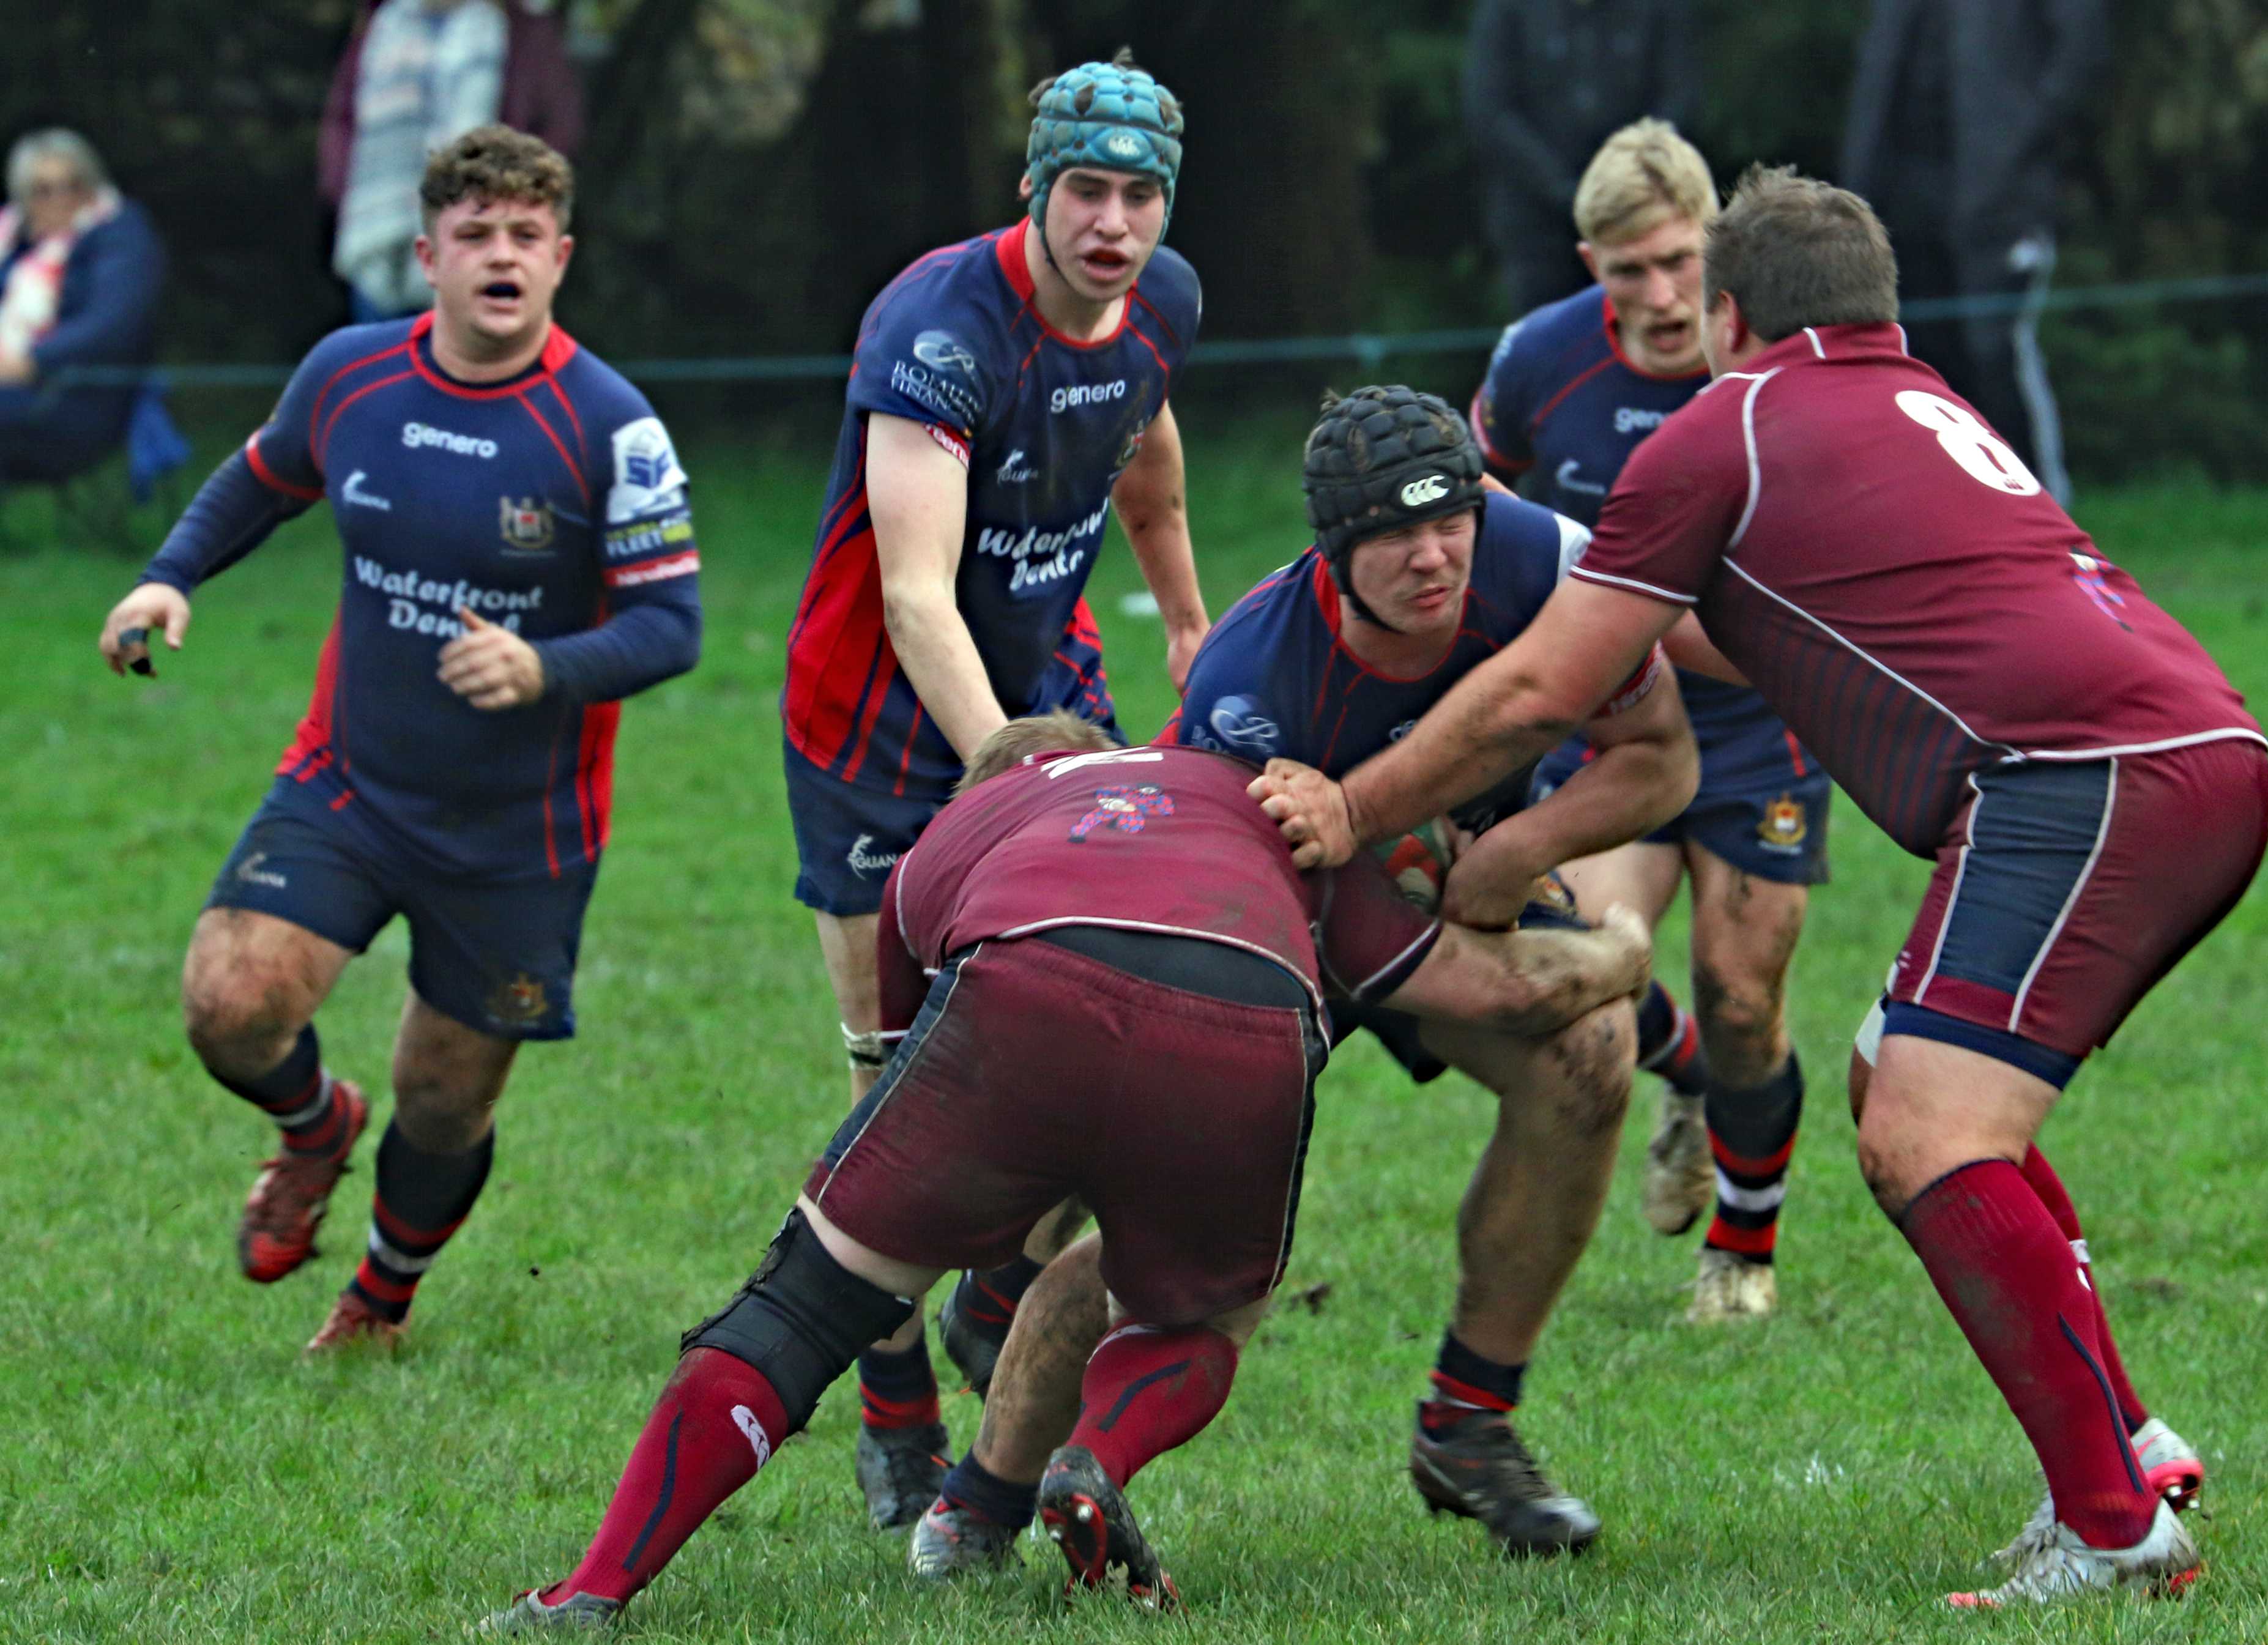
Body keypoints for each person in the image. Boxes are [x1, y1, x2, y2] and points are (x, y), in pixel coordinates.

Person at [1255, 166, 2268, 1607]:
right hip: (2188, 744)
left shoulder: (1716, 425)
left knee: (1929, 1134)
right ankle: (2130, 1446)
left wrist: (1353, 805)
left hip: (2080, 782)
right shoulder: (1926, 403)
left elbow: (1551, 681)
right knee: (1889, 1078)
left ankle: (2112, 1527)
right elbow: (1773, 634)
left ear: (1729, 311)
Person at [478, 715, 1657, 1631]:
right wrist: (1617, 952)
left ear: (988, 789)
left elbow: (907, 1066)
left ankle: (591, 1586)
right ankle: (1095, 1457)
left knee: (796, 1301)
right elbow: (1463, 981)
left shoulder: (949, 837)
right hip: (1239, 1017)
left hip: (1023, 996)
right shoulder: (1253, 798)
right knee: (1201, 1306)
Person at [901, 384, 1696, 1570]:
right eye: (1392, 537)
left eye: (1450, 524)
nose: (1434, 560)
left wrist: (1520, 851)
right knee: (1174, 1238)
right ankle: (983, 1493)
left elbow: (1660, 763)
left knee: (1588, 1060)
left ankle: (1468, 1422)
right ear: (1334, 553)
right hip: (1271, 931)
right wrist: (1454, 905)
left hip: (1439, 890)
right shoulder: (1251, 680)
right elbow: (1257, 894)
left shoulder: (1541, 558)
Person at [96, 127, 701, 1355]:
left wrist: (546, 667)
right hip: (350, 785)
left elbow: (672, 627)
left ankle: (379, 1298)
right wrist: (170, 578)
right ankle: (317, 1128)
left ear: (560, 258)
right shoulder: (350, 377)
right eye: (475, 234)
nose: (501, 255)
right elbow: (264, 477)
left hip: (517, 833)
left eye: (525, 236)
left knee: (442, 1103)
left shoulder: (611, 428)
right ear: (427, 255)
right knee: (229, 1005)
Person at [778, 49, 1210, 1528]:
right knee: (894, 1088)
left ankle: (1000, 1290)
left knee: (1095, 1019)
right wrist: (1004, 768)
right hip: (876, 729)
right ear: (1032, 192)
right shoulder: (940, 330)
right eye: (1086, 189)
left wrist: (1197, 635)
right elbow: (912, 597)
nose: (1113, 221)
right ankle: (894, 1408)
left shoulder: (1163, 304)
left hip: (1048, 686)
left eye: (1139, 194)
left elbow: (1143, 454)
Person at [1474, 117, 1832, 1322]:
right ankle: (1687, 1091)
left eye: (1683, 261)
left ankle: (1741, 1250)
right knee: (1581, 959)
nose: (1666, 295)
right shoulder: (1542, 361)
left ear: (1718, 249)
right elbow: (1479, 492)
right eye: (1631, 270)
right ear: (1591, 266)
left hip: (1758, 729)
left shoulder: (1782, 363)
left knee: (1741, 998)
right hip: (1613, 725)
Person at [1839, 0, 2110, 505]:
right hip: (1901, 198)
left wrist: (2017, 141)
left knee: (1996, 353)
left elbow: (2080, 53)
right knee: (1919, 363)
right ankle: (1948, 522)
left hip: (2000, 196)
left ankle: (2047, 523)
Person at [323, 0, 586, 322]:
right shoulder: (381, 25)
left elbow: (558, 128)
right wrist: (345, 191)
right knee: (384, 363)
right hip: (382, 242)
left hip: (488, 244)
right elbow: (342, 120)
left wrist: (513, 204)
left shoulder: (521, 29)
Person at [1463, 0, 1699, 314]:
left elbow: (1679, 99)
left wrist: (1630, 172)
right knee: (1550, 344)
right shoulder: (1507, 11)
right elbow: (1489, 112)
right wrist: (1561, 187)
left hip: (1639, 214)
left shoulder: (1658, 9)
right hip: (1538, 228)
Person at [0, 128, 166, 484]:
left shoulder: (119, 233)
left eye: (73, 184)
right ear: (23, 198)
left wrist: (30, 360)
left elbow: (113, 324)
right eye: (43, 190)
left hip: (74, 398)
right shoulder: (11, 242)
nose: (61, 198)